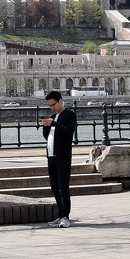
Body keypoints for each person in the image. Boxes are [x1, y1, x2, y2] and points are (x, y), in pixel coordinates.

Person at [40, 90, 76, 227]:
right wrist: (45, 127)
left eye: (53, 104)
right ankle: (60, 214)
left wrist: (53, 124)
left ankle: (65, 216)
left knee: (63, 187)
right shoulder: (53, 117)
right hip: (51, 156)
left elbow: (68, 133)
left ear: (60, 101)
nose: (52, 108)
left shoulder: (69, 115)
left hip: (63, 156)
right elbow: (49, 137)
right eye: (49, 106)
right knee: (54, 187)